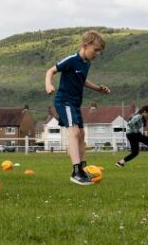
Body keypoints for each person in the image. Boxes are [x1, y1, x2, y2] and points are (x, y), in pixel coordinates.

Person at [45, 30, 111, 185]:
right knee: (74, 132)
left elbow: (82, 80)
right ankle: (76, 172)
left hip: (75, 104)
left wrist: (98, 88)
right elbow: (51, 71)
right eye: (95, 50)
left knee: (81, 133)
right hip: (64, 101)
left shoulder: (86, 63)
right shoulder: (71, 60)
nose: (97, 54)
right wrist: (48, 84)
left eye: (99, 52)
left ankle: (83, 168)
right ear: (85, 45)